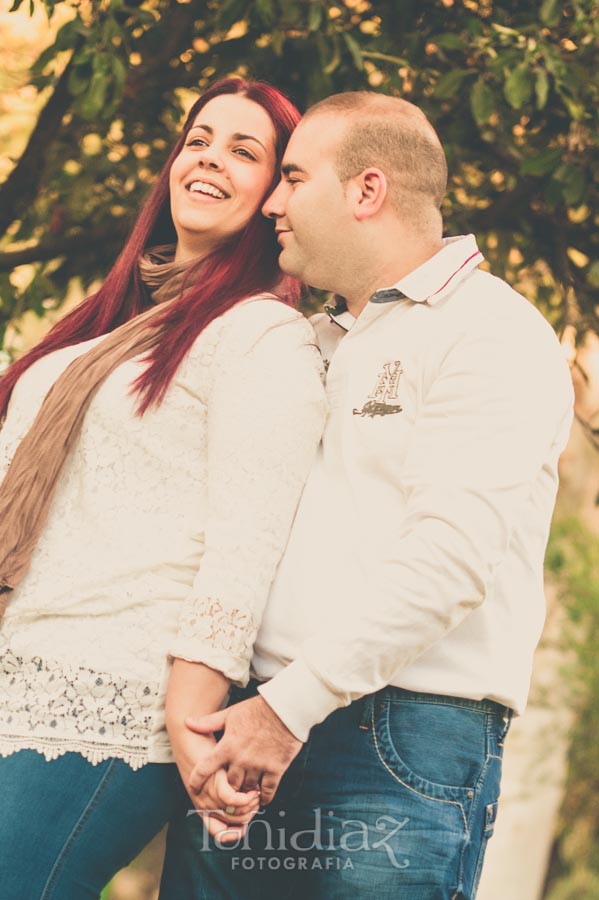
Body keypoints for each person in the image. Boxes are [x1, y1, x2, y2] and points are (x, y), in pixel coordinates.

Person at [160, 92, 575, 899]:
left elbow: (448, 560)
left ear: (366, 191)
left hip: (399, 738)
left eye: (292, 177)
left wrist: (286, 711)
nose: (272, 203)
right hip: (249, 727)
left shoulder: (488, 330)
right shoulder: (311, 339)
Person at [0, 78, 326, 900]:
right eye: (200, 139)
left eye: (245, 153)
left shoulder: (261, 336)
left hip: (110, 696)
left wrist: (193, 711)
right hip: (18, 663)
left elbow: (246, 543)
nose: (210, 159)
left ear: (274, 196)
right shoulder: (108, 323)